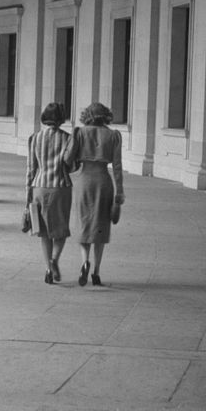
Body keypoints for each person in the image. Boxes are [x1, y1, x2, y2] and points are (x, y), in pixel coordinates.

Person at [64, 101, 125, 286]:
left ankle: (84, 262)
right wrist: (119, 192)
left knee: (83, 223)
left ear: (87, 115)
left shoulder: (79, 133)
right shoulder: (113, 135)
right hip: (104, 182)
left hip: (84, 180)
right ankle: (96, 272)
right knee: (101, 227)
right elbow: (117, 167)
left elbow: (67, 159)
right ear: (106, 115)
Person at [25, 102, 73, 284]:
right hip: (61, 187)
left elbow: (30, 169)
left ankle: (47, 269)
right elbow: (72, 166)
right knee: (60, 230)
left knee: (44, 232)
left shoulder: (34, 138)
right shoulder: (68, 139)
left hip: (39, 186)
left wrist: (27, 197)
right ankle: (54, 260)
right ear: (62, 118)